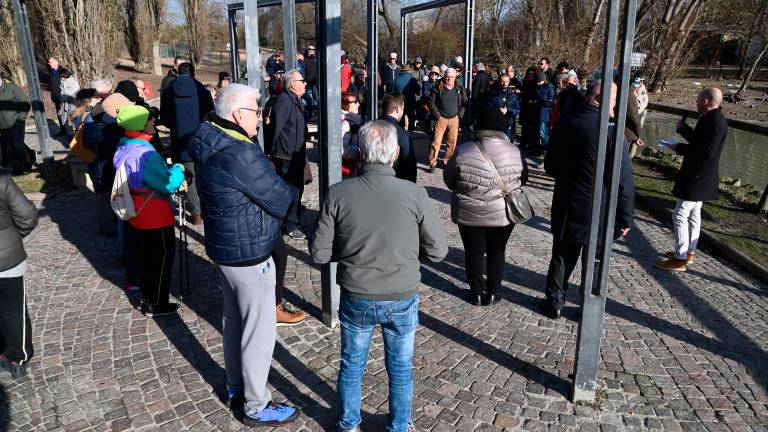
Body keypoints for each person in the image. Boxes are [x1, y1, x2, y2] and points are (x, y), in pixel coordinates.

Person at [311, 120, 448, 432]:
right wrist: (409, 256)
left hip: (357, 293)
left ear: (359, 153)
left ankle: (349, 425)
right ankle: (399, 426)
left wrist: (347, 253)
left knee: (352, 365)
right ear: (397, 153)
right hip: (401, 293)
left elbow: (319, 253)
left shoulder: (338, 193)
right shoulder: (414, 194)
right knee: (400, 369)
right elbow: (438, 251)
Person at [189, 83, 300, 427]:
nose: (262, 118)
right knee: (258, 331)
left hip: (225, 249)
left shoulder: (209, 137)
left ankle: (236, 388)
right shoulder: (241, 152)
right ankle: (256, 403)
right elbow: (281, 197)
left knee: (234, 322)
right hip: (248, 253)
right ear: (238, 114)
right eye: (256, 111)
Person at [538, 81, 635, 319]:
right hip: (599, 209)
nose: (616, 105)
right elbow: (623, 179)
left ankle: (554, 302)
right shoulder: (611, 130)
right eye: (613, 100)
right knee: (595, 259)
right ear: (600, 98)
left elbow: (550, 165)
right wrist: (625, 215)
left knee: (562, 254)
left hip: (568, 202)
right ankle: (588, 308)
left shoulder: (566, 122)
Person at [444, 108, 528, 305]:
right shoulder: (514, 151)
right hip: (503, 214)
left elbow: (449, 179)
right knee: (497, 251)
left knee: (473, 252)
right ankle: (493, 292)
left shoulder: (464, 150)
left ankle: (476, 293)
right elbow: (523, 179)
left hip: (470, 212)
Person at [112, 105, 185, 316]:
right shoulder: (145, 152)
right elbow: (167, 185)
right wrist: (178, 170)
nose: (154, 122)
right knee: (161, 258)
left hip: (137, 210)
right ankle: (157, 302)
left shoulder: (125, 145)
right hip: (155, 213)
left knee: (146, 257)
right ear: (142, 125)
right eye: (150, 119)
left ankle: (146, 297)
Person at [655, 87, 727, 271]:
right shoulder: (710, 118)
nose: (695, 102)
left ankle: (680, 259)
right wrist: (684, 130)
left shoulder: (716, 121)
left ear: (704, 101)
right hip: (700, 176)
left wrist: (678, 147)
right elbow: (700, 141)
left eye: (697, 99)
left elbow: (706, 152)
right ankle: (689, 252)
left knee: (679, 214)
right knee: (694, 215)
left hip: (698, 176)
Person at [160, 62, 214, 225]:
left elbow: (165, 118)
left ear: (177, 71)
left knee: (188, 176)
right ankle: (208, 210)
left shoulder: (169, 91)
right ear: (193, 73)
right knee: (204, 175)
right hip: (202, 140)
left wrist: (176, 126)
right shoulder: (202, 92)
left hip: (180, 139)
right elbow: (210, 116)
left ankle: (197, 213)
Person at [0, 169, 38, 378]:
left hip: (7, 261)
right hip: (7, 261)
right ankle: (17, 359)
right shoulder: (2, 180)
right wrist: (14, 237)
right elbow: (28, 216)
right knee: (14, 311)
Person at [268, 69, 308, 240]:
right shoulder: (284, 102)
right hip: (286, 156)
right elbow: (275, 129)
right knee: (291, 190)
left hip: (294, 154)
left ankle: (292, 219)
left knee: (296, 189)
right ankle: (290, 225)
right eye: (302, 81)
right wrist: (270, 152)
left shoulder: (295, 100)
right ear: (293, 84)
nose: (305, 84)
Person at [427, 68, 467, 173]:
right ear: (444, 76)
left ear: (455, 77)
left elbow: (464, 102)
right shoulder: (437, 87)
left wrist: (460, 115)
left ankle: (447, 162)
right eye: (447, 76)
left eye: (452, 76)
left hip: (454, 119)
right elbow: (430, 103)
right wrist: (438, 116)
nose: (449, 78)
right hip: (441, 119)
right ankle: (432, 163)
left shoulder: (459, 88)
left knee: (452, 143)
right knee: (436, 142)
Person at [381, 93, 417, 182]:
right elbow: (410, 168)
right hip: (393, 181)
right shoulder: (402, 135)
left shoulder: (368, 127)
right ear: (398, 109)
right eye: (403, 109)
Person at [0, 75, 32, 175]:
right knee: (9, 148)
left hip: (17, 122)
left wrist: (20, 117)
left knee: (18, 144)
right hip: (3, 125)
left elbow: (25, 103)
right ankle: (17, 167)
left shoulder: (12, 88)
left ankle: (27, 164)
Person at [489, 74, 521, 141]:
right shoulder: (493, 94)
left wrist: (508, 110)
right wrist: (497, 110)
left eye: (506, 81)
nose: (504, 83)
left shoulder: (513, 95)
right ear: (499, 81)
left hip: (508, 124)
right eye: (502, 81)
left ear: (509, 81)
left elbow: (517, 110)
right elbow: (488, 107)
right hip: (496, 125)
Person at [341, 92, 364, 177]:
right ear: (345, 105)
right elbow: (343, 149)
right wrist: (359, 152)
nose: (358, 104)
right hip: (348, 168)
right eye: (354, 102)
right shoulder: (346, 123)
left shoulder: (354, 121)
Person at [394, 64, 420, 131]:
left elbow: (392, 93)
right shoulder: (413, 80)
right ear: (408, 71)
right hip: (411, 103)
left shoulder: (396, 80)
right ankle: (411, 135)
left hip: (399, 103)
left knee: (400, 123)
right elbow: (418, 92)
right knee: (412, 120)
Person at [535, 72, 555, 154]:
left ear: (544, 80)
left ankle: (545, 149)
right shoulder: (539, 87)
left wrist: (540, 101)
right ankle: (541, 149)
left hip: (546, 112)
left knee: (543, 132)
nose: (538, 83)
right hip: (539, 111)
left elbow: (551, 101)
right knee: (540, 132)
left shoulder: (549, 87)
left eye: (539, 81)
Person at [58, 69, 80, 138]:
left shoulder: (73, 83)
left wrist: (63, 95)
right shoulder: (62, 81)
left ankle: (75, 139)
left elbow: (71, 92)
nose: (62, 79)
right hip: (65, 105)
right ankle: (70, 138)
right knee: (66, 122)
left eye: (63, 77)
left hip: (73, 105)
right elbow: (62, 91)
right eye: (61, 77)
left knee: (75, 122)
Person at [47, 57, 66, 135]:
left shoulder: (63, 71)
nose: (49, 64)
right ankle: (62, 130)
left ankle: (69, 131)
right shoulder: (52, 72)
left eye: (50, 62)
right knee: (59, 114)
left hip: (63, 97)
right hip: (56, 97)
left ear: (56, 62)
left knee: (65, 114)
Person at [303, 45, 319, 121]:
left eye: (313, 49)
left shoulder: (316, 58)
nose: (311, 50)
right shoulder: (304, 58)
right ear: (307, 50)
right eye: (310, 49)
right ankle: (309, 114)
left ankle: (315, 115)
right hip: (307, 83)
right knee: (309, 99)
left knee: (316, 98)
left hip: (315, 83)